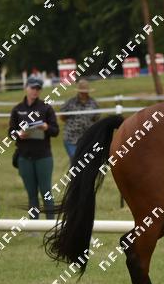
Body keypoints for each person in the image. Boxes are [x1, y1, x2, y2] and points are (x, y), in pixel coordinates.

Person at [9, 76, 59, 219]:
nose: (35, 91)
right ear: (26, 88)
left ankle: (50, 224)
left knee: (46, 193)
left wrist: (46, 127)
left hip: (43, 156)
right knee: (31, 194)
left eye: (38, 89)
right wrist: (19, 134)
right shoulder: (17, 109)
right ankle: (34, 225)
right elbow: (10, 133)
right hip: (25, 157)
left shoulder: (46, 108)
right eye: (33, 88)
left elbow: (55, 131)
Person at [59, 79, 99, 159]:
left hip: (87, 139)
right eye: (82, 92)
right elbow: (62, 116)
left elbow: (96, 118)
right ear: (78, 92)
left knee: (86, 160)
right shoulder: (70, 102)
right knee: (75, 158)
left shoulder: (94, 103)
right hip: (71, 138)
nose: (83, 94)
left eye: (85, 92)